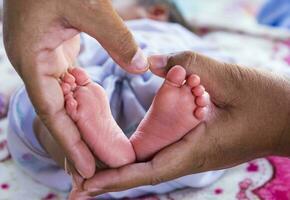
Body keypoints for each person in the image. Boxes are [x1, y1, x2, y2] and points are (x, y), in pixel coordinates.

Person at [4, 0, 290, 198]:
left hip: (99, 82)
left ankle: (89, 153)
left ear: (154, 11)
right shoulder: (197, 46)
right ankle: (151, 142)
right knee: (199, 96)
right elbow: (233, 74)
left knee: (40, 111)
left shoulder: (155, 31)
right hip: (170, 115)